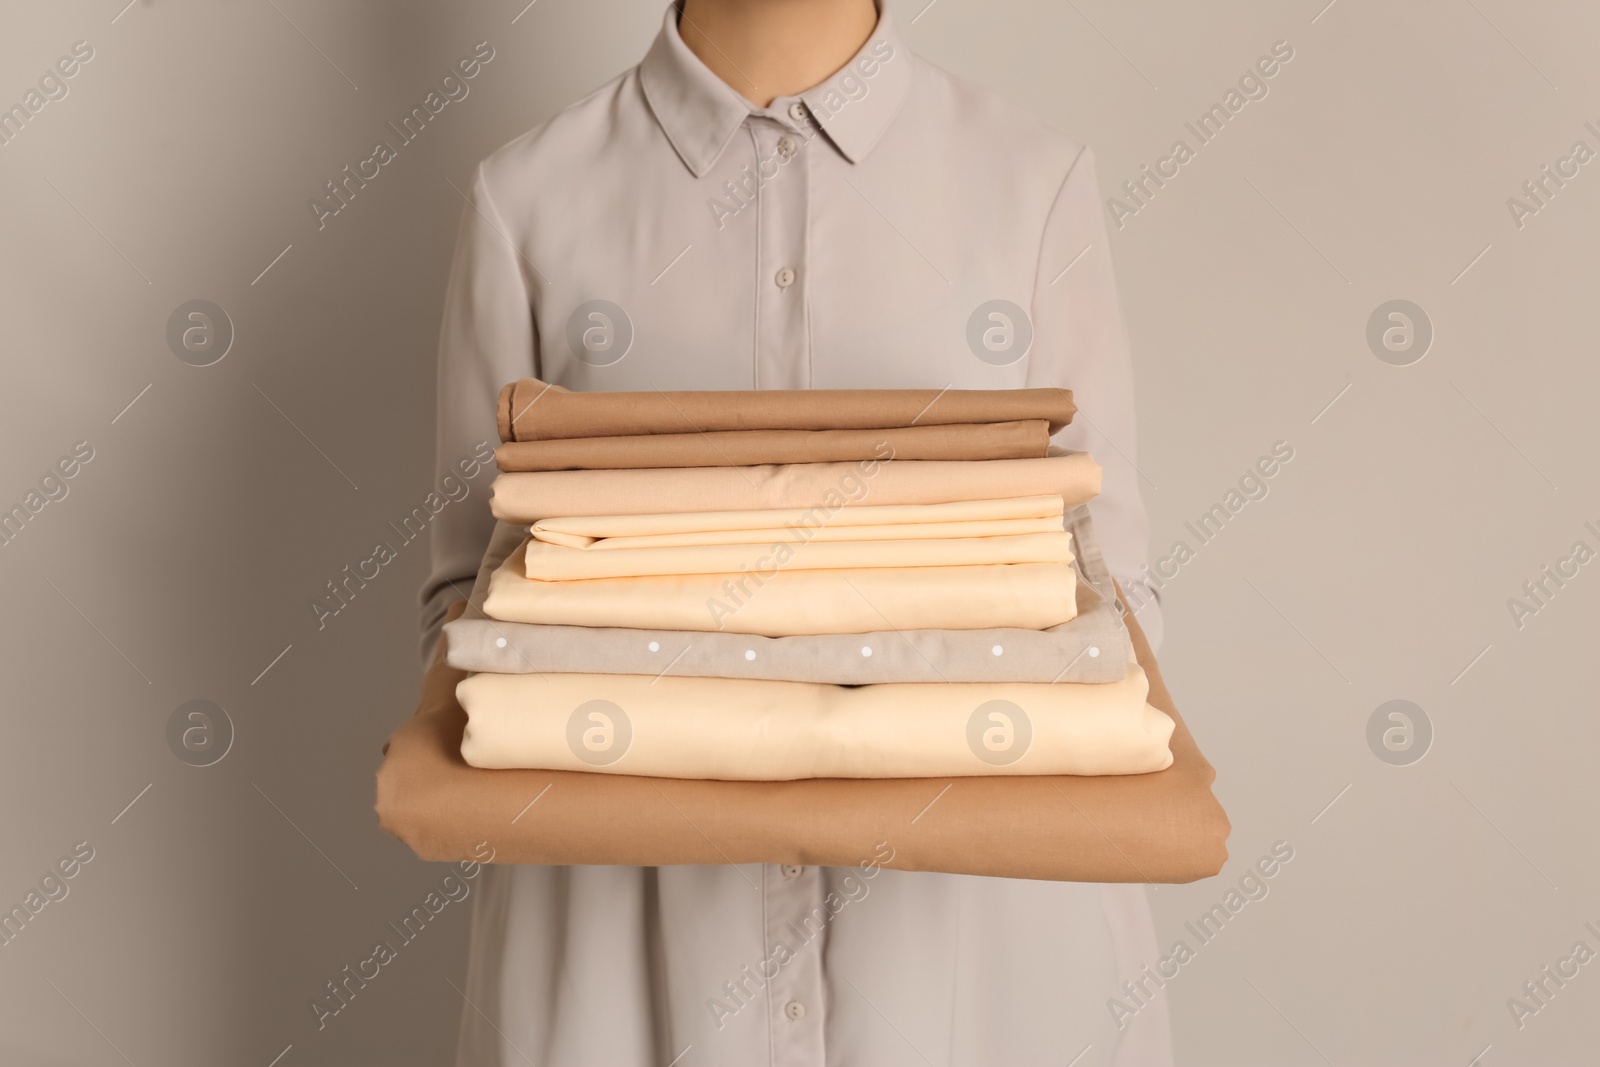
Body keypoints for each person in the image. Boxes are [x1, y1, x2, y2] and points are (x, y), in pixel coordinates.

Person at [421, 1, 1169, 1063]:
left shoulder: (1030, 185)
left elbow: (1113, 592)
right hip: (625, 962)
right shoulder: (529, 199)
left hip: (970, 959)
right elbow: (464, 612)